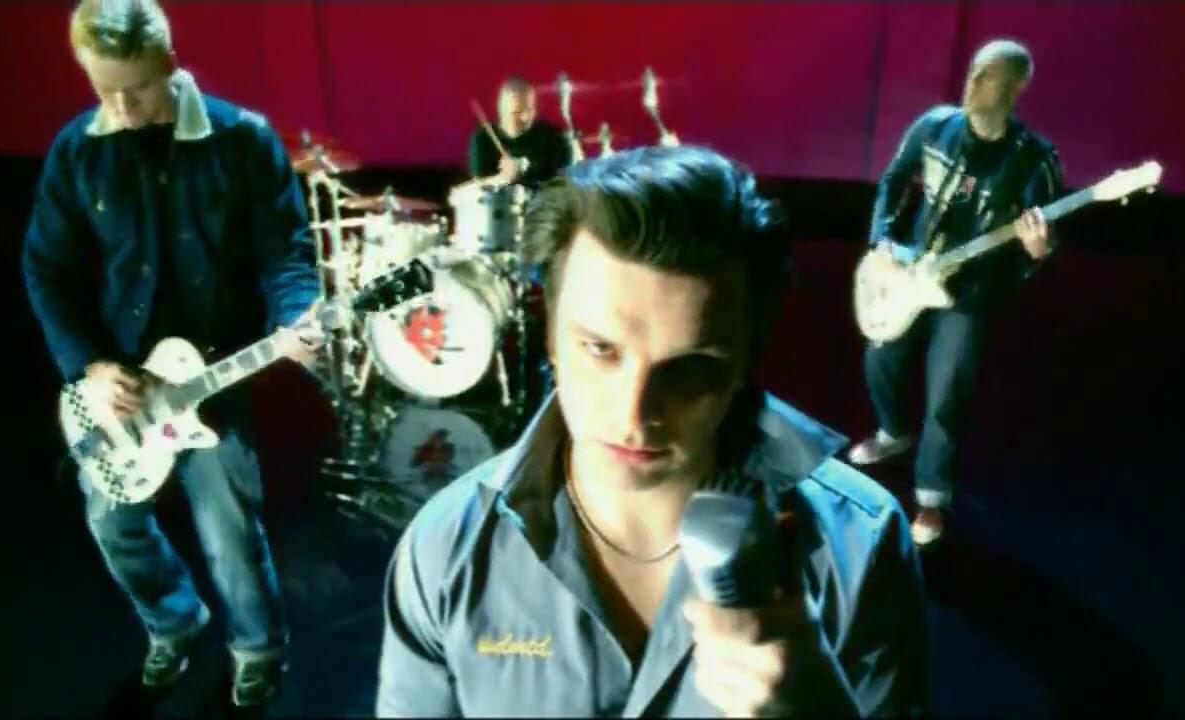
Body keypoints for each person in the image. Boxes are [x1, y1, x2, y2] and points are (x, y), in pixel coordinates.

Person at [376, 145, 928, 717]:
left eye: (688, 367)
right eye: (600, 349)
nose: (634, 413)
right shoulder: (443, 550)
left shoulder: (859, 546)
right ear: (551, 338)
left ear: (745, 361)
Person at [21, 0, 320, 707]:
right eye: (106, 91)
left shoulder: (243, 140)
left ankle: (257, 648)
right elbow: (48, 269)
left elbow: (286, 251)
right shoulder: (77, 150)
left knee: (228, 526)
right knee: (111, 520)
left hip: (217, 375)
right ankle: (173, 622)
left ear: (170, 65)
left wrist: (298, 315)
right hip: (119, 384)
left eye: (138, 89)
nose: (123, 109)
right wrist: (89, 367)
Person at [847, 39, 1065, 546]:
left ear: (1017, 87)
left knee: (947, 392)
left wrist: (1039, 249)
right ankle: (893, 433)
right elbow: (893, 181)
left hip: (970, 292)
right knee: (880, 356)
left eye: (990, 76)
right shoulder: (934, 126)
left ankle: (931, 495)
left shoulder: (1033, 159)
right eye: (974, 72)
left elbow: (1043, 242)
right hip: (912, 267)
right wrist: (882, 241)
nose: (974, 83)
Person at [467, 76, 573, 189]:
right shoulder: (483, 137)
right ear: (501, 110)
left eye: (530, 110)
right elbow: (479, 185)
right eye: (516, 113)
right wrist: (504, 178)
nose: (525, 118)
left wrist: (524, 169)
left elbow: (568, 179)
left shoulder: (553, 136)